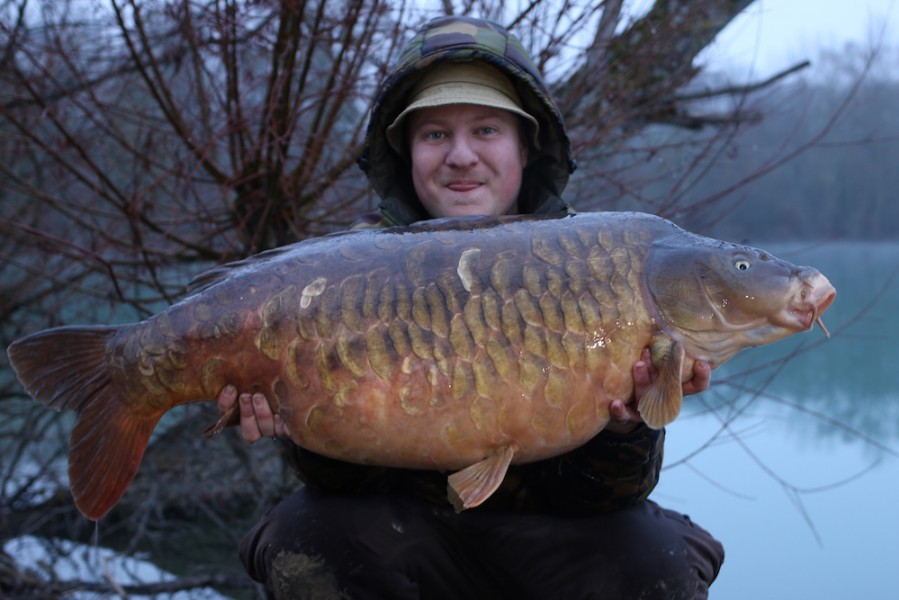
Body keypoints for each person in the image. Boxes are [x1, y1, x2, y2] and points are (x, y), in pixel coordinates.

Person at [218, 16, 724, 599]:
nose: (461, 156)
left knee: (651, 553)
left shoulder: (596, 264)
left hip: (552, 539)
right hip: (404, 533)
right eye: (434, 135)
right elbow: (344, 490)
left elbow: (609, 498)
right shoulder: (343, 277)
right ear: (404, 151)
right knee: (307, 531)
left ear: (526, 146)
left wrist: (621, 429)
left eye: (486, 130)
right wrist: (300, 421)